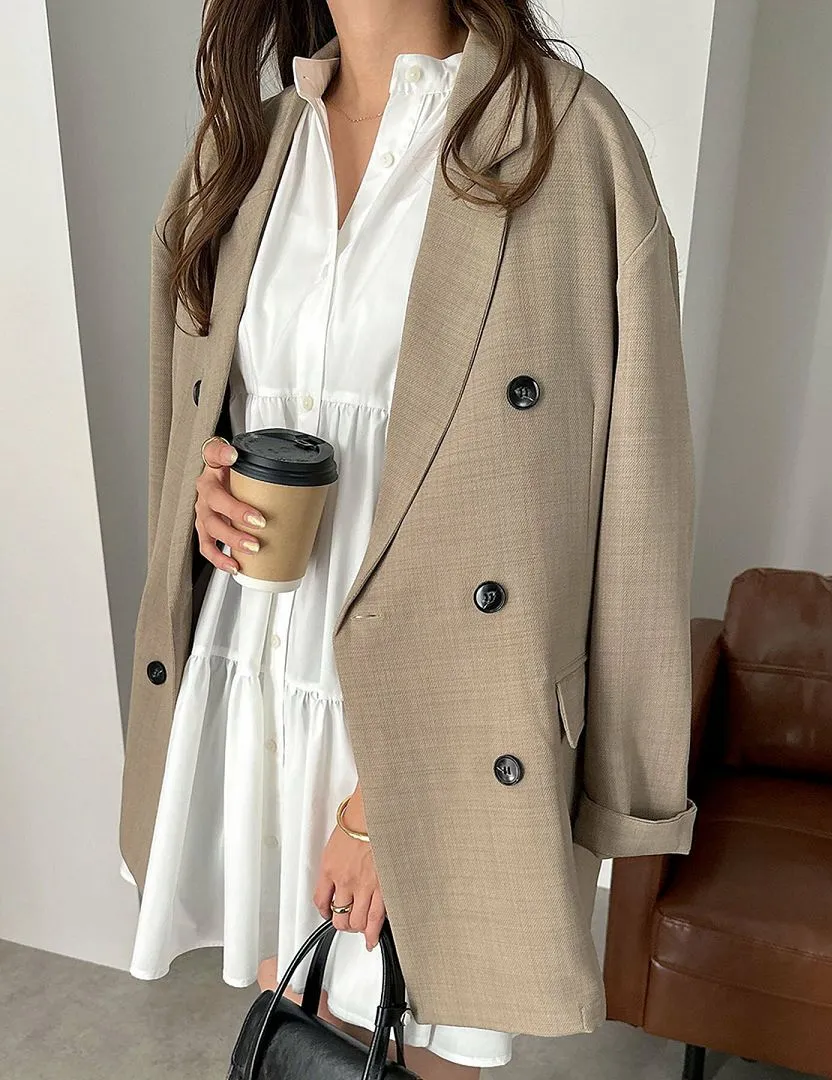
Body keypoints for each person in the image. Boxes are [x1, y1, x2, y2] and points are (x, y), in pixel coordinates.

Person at [119, 1, 698, 1077]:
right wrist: (208, 498)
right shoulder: (249, 141)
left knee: (422, 1042)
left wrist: (388, 804)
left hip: (448, 712)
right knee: (299, 1033)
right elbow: (207, 411)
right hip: (264, 669)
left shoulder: (565, 141)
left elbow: (633, 494)